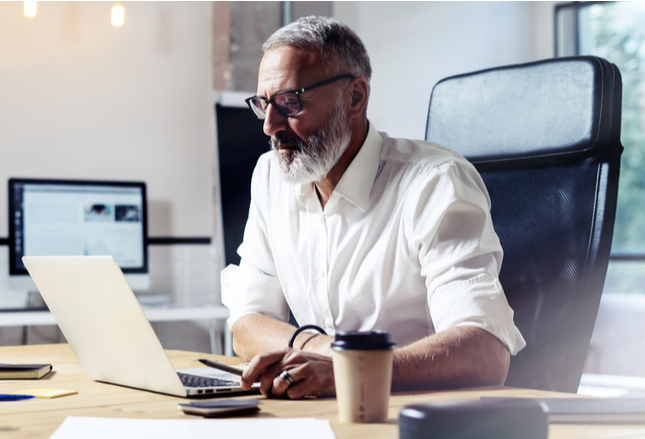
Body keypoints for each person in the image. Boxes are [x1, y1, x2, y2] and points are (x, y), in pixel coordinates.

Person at [220, 16, 526, 399]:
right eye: (263, 104)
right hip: (320, 411)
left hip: (424, 420)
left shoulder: (434, 182)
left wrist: (351, 371)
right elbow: (247, 323)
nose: (269, 126)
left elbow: (486, 352)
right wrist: (324, 354)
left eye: (289, 102)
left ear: (355, 97)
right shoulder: (270, 177)